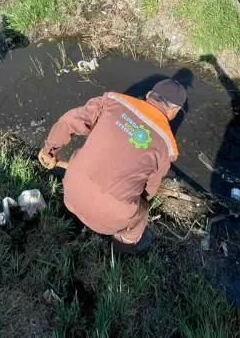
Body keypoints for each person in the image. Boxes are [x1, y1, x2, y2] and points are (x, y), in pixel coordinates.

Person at [38, 79, 186, 254]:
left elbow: (68, 121)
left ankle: (75, 219)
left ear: (148, 95)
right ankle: (122, 249)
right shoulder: (168, 147)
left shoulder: (112, 101)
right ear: (174, 111)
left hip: (72, 191)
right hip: (110, 220)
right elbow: (149, 191)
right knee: (142, 212)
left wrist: (49, 149)